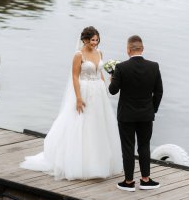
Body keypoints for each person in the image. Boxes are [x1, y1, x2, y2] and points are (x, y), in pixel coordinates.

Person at [20, 26, 123, 180]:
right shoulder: (78, 55)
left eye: (97, 40)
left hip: (98, 92)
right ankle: (79, 163)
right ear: (85, 40)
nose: (95, 43)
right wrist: (78, 98)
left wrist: (105, 89)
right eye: (92, 40)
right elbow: (75, 76)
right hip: (85, 91)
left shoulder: (99, 53)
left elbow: (99, 72)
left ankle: (99, 161)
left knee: (98, 125)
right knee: (82, 124)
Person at [109, 35, 163, 192]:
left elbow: (113, 91)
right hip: (146, 114)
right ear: (142, 49)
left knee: (128, 148)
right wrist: (152, 109)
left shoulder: (121, 67)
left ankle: (129, 182)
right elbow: (159, 92)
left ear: (128, 50)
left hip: (126, 115)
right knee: (144, 146)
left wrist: (112, 77)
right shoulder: (154, 66)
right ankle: (145, 180)